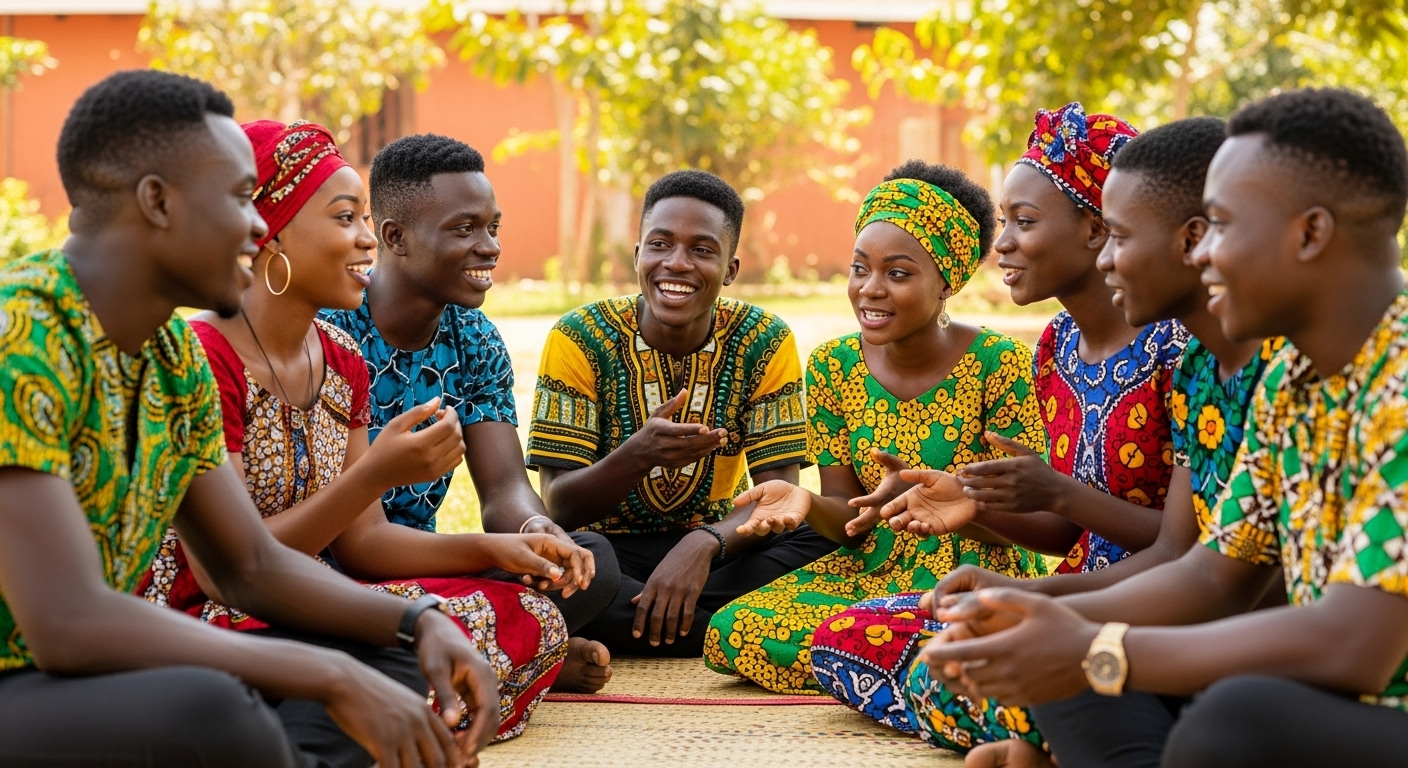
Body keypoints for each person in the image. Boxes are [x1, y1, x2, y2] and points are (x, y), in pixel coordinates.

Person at [0, 70, 501, 768]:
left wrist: (417, 621)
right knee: (210, 711)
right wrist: (327, 673)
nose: (259, 225)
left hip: (93, 677)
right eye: (241, 198)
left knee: (395, 671)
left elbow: (250, 564)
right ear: (158, 202)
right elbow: (65, 623)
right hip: (28, 678)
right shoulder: (23, 335)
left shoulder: (172, 358)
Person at [922, 88, 1408, 768]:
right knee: (1074, 671)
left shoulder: (1399, 379)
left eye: (1221, 227)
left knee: (1232, 717)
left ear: (1310, 233)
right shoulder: (1290, 383)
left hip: (1367, 702)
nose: (1201, 254)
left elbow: (1354, 649)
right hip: (1311, 696)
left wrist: (1101, 647)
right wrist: (1033, 610)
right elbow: (1207, 578)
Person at [137, 118, 594, 743]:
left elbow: (363, 544)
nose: (366, 242)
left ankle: (373, 712)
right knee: (397, 657)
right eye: (345, 219)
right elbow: (230, 571)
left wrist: (500, 548)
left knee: (530, 617)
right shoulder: (203, 359)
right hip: (210, 616)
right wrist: (378, 471)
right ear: (269, 235)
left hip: (321, 589)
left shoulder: (341, 356)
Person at [891, 117, 1281, 766]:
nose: (1004, 245)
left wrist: (1083, 634)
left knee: (1204, 716)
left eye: (1118, 236)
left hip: (1235, 647)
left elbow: (1223, 580)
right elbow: (1200, 567)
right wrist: (1006, 555)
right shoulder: (1195, 372)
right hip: (1159, 607)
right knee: (1003, 655)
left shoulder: (1257, 364)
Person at [702, 161, 1050, 695]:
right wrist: (803, 502)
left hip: (976, 567)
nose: (870, 289)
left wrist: (956, 508)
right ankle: (901, 664)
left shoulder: (999, 364)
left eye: (899, 273)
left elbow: (1033, 517)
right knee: (733, 631)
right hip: (870, 572)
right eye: (859, 268)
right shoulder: (833, 366)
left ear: (946, 282)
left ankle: (900, 655)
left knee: (896, 632)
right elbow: (851, 516)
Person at [320, 132, 619, 693]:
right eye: (464, 229)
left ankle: (502, 652)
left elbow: (503, 488)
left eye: (492, 227)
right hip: (332, 568)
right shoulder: (334, 331)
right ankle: (524, 656)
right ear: (394, 237)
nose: (490, 247)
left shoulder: (475, 340)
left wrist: (536, 529)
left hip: (420, 565)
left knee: (590, 562)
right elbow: (352, 542)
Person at [525, 169, 838, 657]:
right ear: (637, 255)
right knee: (580, 564)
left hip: (718, 552)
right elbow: (560, 506)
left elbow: (778, 497)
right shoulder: (580, 337)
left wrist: (703, 544)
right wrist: (638, 456)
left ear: (730, 269)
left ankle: (629, 623)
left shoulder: (764, 339)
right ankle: (716, 627)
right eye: (660, 245)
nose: (676, 264)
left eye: (701, 250)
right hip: (609, 552)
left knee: (823, 541)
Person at [965, 102, 1184, 575]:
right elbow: (1070, 530)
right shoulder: (1056, 348)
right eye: (1004, 222)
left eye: (1024, 221)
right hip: (1080, 589)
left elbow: (1190, 547)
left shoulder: (1179, 347)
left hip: (1151, 604)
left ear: (1095, 229)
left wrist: (1057, 492)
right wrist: (970, 508)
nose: (1001, 244)